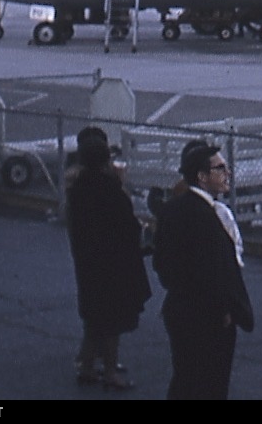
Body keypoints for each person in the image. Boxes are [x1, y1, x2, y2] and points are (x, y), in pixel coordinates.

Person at [152, 142, 254, 400]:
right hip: (208, 318)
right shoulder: (209, 217)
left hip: (179, 310)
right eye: (220, 168)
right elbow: (214, 272)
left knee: (186, 379)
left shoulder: (173, 209)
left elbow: (163, 263)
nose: (227, 173)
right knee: (211, 383)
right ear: (202, 176)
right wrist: (225, 310)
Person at [65, 130, 151, 391]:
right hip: (113, 264)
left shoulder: (77, 190)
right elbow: (127, 227)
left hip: (88, 261)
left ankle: (88, 364)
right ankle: (110, 371)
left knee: (94, 318)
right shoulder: (111, 191)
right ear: (106, 161)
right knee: (113, 320)